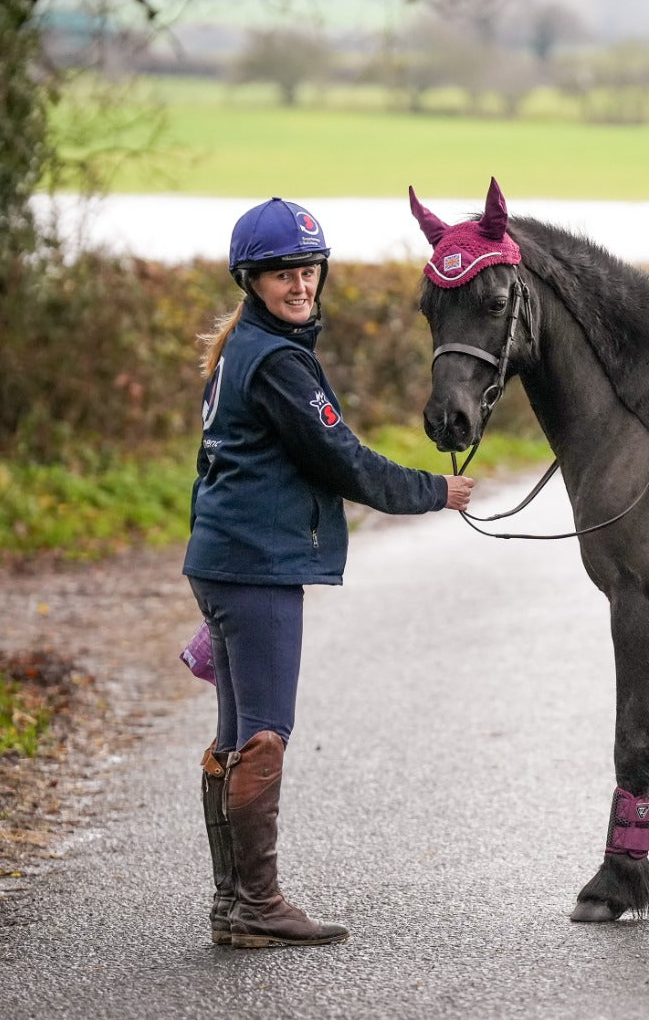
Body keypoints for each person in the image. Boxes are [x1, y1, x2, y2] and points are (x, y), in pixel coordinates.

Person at [183, 197, 473, 948]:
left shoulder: (244, 349)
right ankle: (258, 904)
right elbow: (341, 458)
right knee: (266, 737)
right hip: (254, 569)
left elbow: (212, 468)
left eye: (309, 270)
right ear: (251, 279)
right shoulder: (278, 361)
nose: (300, 285)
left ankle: (232, 904)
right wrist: (434, 491)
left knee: (236, 740)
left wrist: (212, 569)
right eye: (283, 273)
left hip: (226, 562)